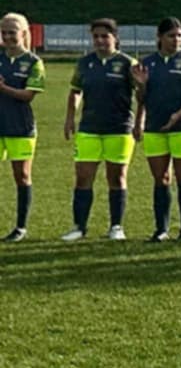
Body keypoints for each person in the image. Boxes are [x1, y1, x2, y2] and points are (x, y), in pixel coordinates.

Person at [62, 18, 135, 241]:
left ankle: (116, 227)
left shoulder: (127, 63)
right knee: (83, 177)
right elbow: (75, 91)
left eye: (105, 36)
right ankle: (79, 227)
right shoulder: (85, 63)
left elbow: (142, 96)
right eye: (96, 36)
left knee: (117, 177)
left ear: (115, 38)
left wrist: (140, 118)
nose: (100, 40)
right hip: (89, 128)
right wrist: (70, 118)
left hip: (119, 128)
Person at [135, 17, 181, 243]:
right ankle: (161, 229)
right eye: (171, 35)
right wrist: (141, 85)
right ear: (159, 37)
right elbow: (141, 99)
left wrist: (178, 115)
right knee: (160, 178)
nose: (176, 40)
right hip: (155, 127)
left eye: (179, 35)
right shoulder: (147, 62)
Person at [0, 12, 45, 241]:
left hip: (20, 127)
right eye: (4, 32)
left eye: (12, 32)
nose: (7, 37)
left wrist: (4, 89)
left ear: (23, 34)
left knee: (22, 175)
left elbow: (28, 95)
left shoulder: (33, 62)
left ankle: (20, 227)